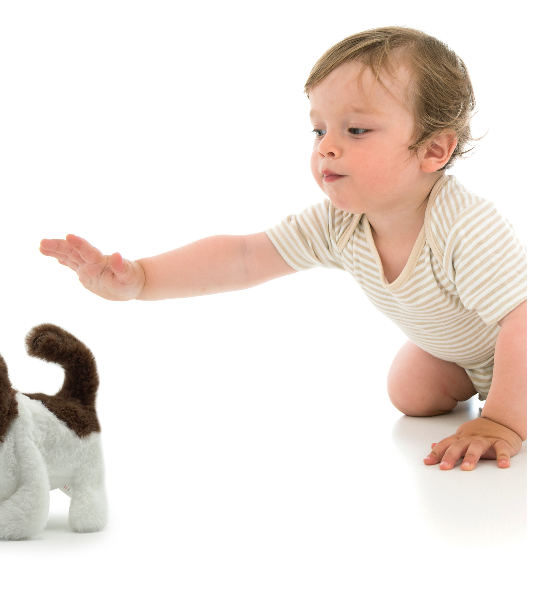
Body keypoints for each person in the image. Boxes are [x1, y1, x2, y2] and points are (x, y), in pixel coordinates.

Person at [39, 26, 527, 471]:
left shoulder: (464, 226)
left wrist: (502, 421)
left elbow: (521, 317)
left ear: (433, 151)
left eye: (355, 130)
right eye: (319, 130)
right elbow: (246, 257)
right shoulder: (342, 222)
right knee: (411, 391)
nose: (326, 148)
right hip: (472, 354)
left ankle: (505, 398)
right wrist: (141, 279)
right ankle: (486, 380)